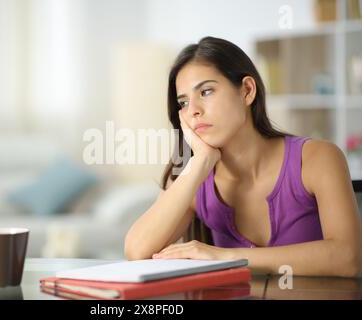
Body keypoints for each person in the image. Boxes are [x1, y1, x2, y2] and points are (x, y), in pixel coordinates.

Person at [124, 36, 361, 277]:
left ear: (247, 91)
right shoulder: (193, 175)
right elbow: (137, 250)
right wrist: (201, 162)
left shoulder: (318, 158)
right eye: (183, 103)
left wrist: (224, 256)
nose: (193, 110)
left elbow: (348, 258)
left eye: (206, 91)